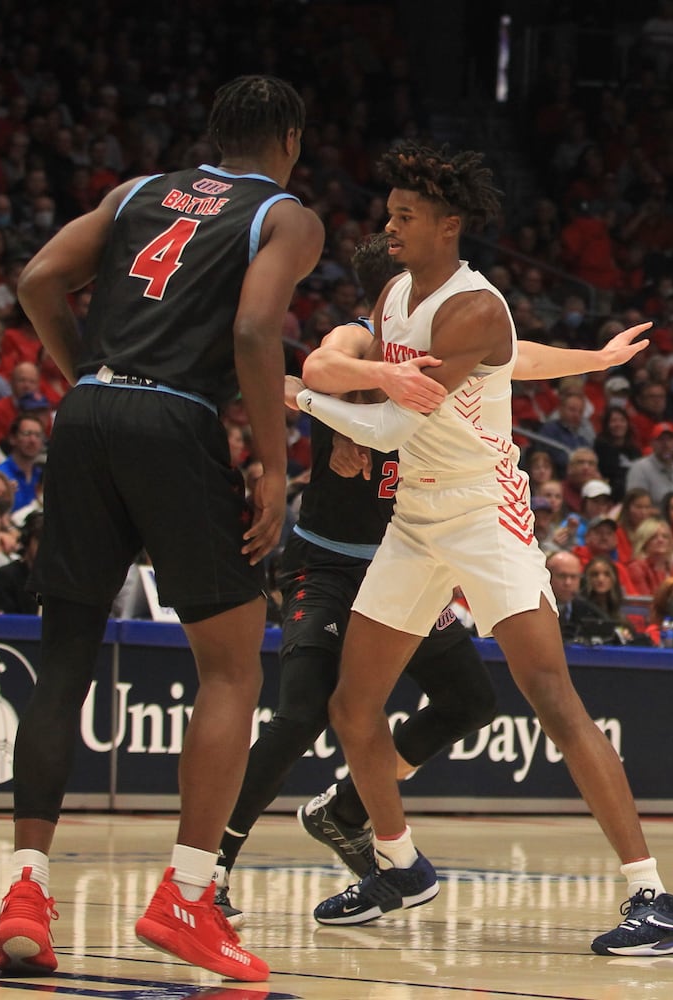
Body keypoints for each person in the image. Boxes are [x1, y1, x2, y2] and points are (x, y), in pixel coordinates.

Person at [289, 142, 673, 956]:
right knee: (351, 707)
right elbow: (508, 364)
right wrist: (593, 359)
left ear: (449, 225)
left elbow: (395, 421)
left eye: (406, 215)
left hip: (485, 513)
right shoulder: (397, 292)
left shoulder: (476, 305)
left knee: (549, 694)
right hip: (414, 519)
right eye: (390, 211)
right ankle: (400, 866)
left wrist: (298, 395)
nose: (389, 224)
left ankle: (655, 896)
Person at [0, 75, 325, 982]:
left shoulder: (136, 192)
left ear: (212, 133)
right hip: (176, 421)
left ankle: (24, 890)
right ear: (289, 138)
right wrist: (271, 460)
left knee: (63, 654)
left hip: (90, 412)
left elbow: (36, 281)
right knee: (229, 662)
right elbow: (259, 332)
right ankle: (185, 895)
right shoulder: (288, 215)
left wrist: (88, 378)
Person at [212, 231, 500, 926]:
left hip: (403, 567)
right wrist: (368, 389)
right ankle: (208, 866)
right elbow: (316, 367)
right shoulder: (357, 340)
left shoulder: (450, 348)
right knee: (304, 711)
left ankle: (342, 812)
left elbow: (517, 360)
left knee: (469, 699)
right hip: (330, 563)